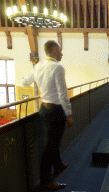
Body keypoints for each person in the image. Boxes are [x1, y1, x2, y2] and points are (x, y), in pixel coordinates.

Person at [21, 40, 73, 190]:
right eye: (60, 51)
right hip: (56, 111)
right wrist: (69, 114)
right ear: (55, 50)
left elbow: (25, 82)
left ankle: (58, 165)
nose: (62, 53)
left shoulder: (38, 66)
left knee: (53, 139)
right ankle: (46, 181)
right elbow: (63, 94)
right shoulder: (57, 67)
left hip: (44, 108)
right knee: (51, 145)